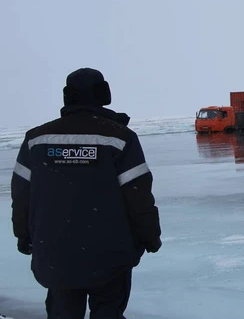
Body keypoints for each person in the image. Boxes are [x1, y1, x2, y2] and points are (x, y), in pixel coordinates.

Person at [11, 68, 162, 319]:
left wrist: (23, 235)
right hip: (110, 254)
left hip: (55, 253)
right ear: (103, 94)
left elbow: (22, 194)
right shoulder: (120, 138)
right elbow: (138, 196)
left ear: (67, 96)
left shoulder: (36, 140)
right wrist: (150, 236)